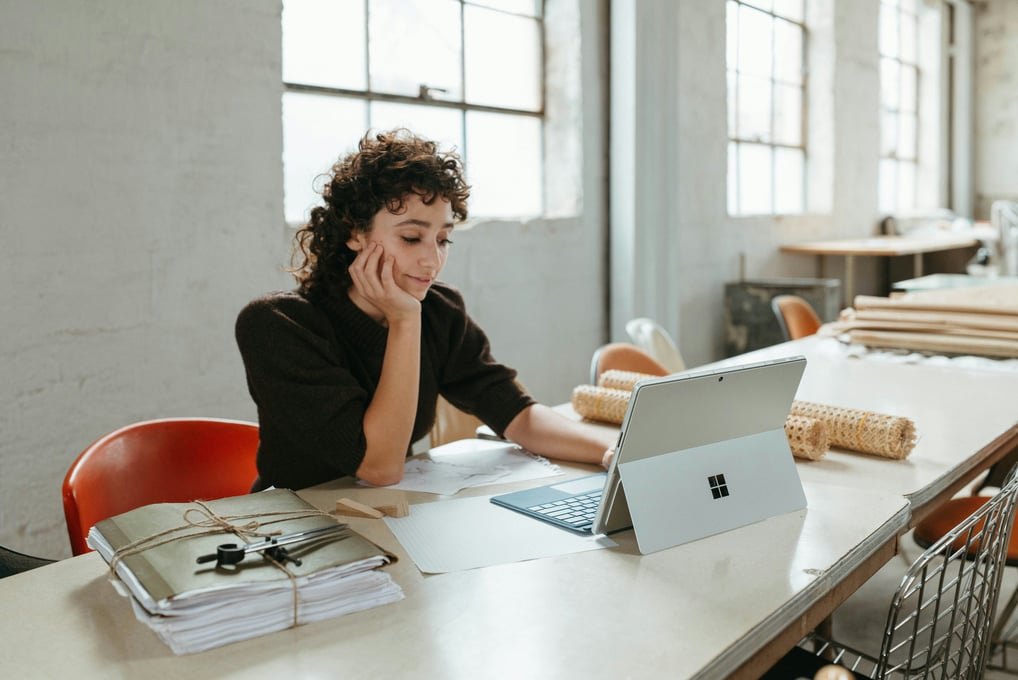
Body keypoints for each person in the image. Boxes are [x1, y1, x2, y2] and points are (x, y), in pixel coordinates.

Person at [236, 128, 616, 491]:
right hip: (293, 526)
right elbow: (379, 466)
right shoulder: (278, 325)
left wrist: (611, 453)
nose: (432, 261)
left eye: (443, 239)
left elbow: (516, 414)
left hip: (387, 514)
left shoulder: (438, 311)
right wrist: (403, 320)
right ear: (355, 232)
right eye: (411, 238)